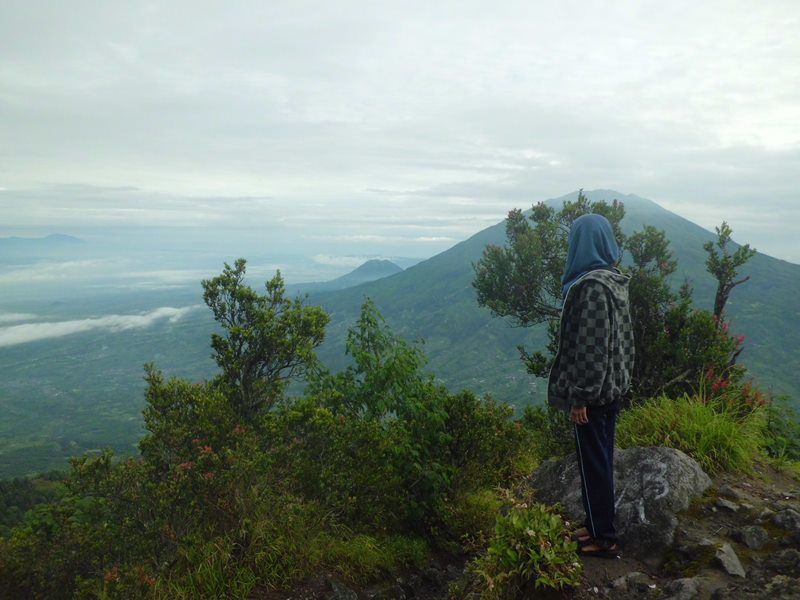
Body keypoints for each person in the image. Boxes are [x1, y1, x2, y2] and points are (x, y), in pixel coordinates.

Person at [546, 213, 635, 558]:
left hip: (593, 394)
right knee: (598, 459)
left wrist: (580, 397)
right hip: (609, 388)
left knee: (593, 462)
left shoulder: (591, 288)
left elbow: (591, 347)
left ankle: (604, 538)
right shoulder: (611, 281)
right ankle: (596, 524)